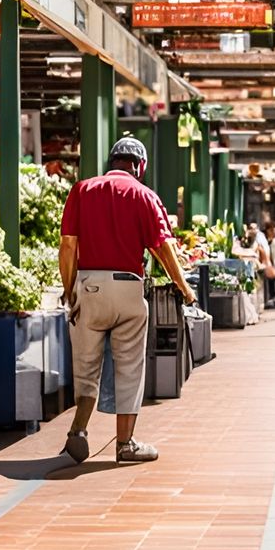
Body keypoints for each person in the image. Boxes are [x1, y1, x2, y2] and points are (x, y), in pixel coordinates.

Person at [56, 135, 196, 466]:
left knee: (87, 365)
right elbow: (163, 248)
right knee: (129, 366)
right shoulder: (145, 196)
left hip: (88, 285)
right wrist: (184, 288)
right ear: (139, 166)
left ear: (113, 161)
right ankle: (125, 444)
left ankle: (78, 431)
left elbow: (67, 245)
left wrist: (69, 287)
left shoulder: (82, 190)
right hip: (128, 288)